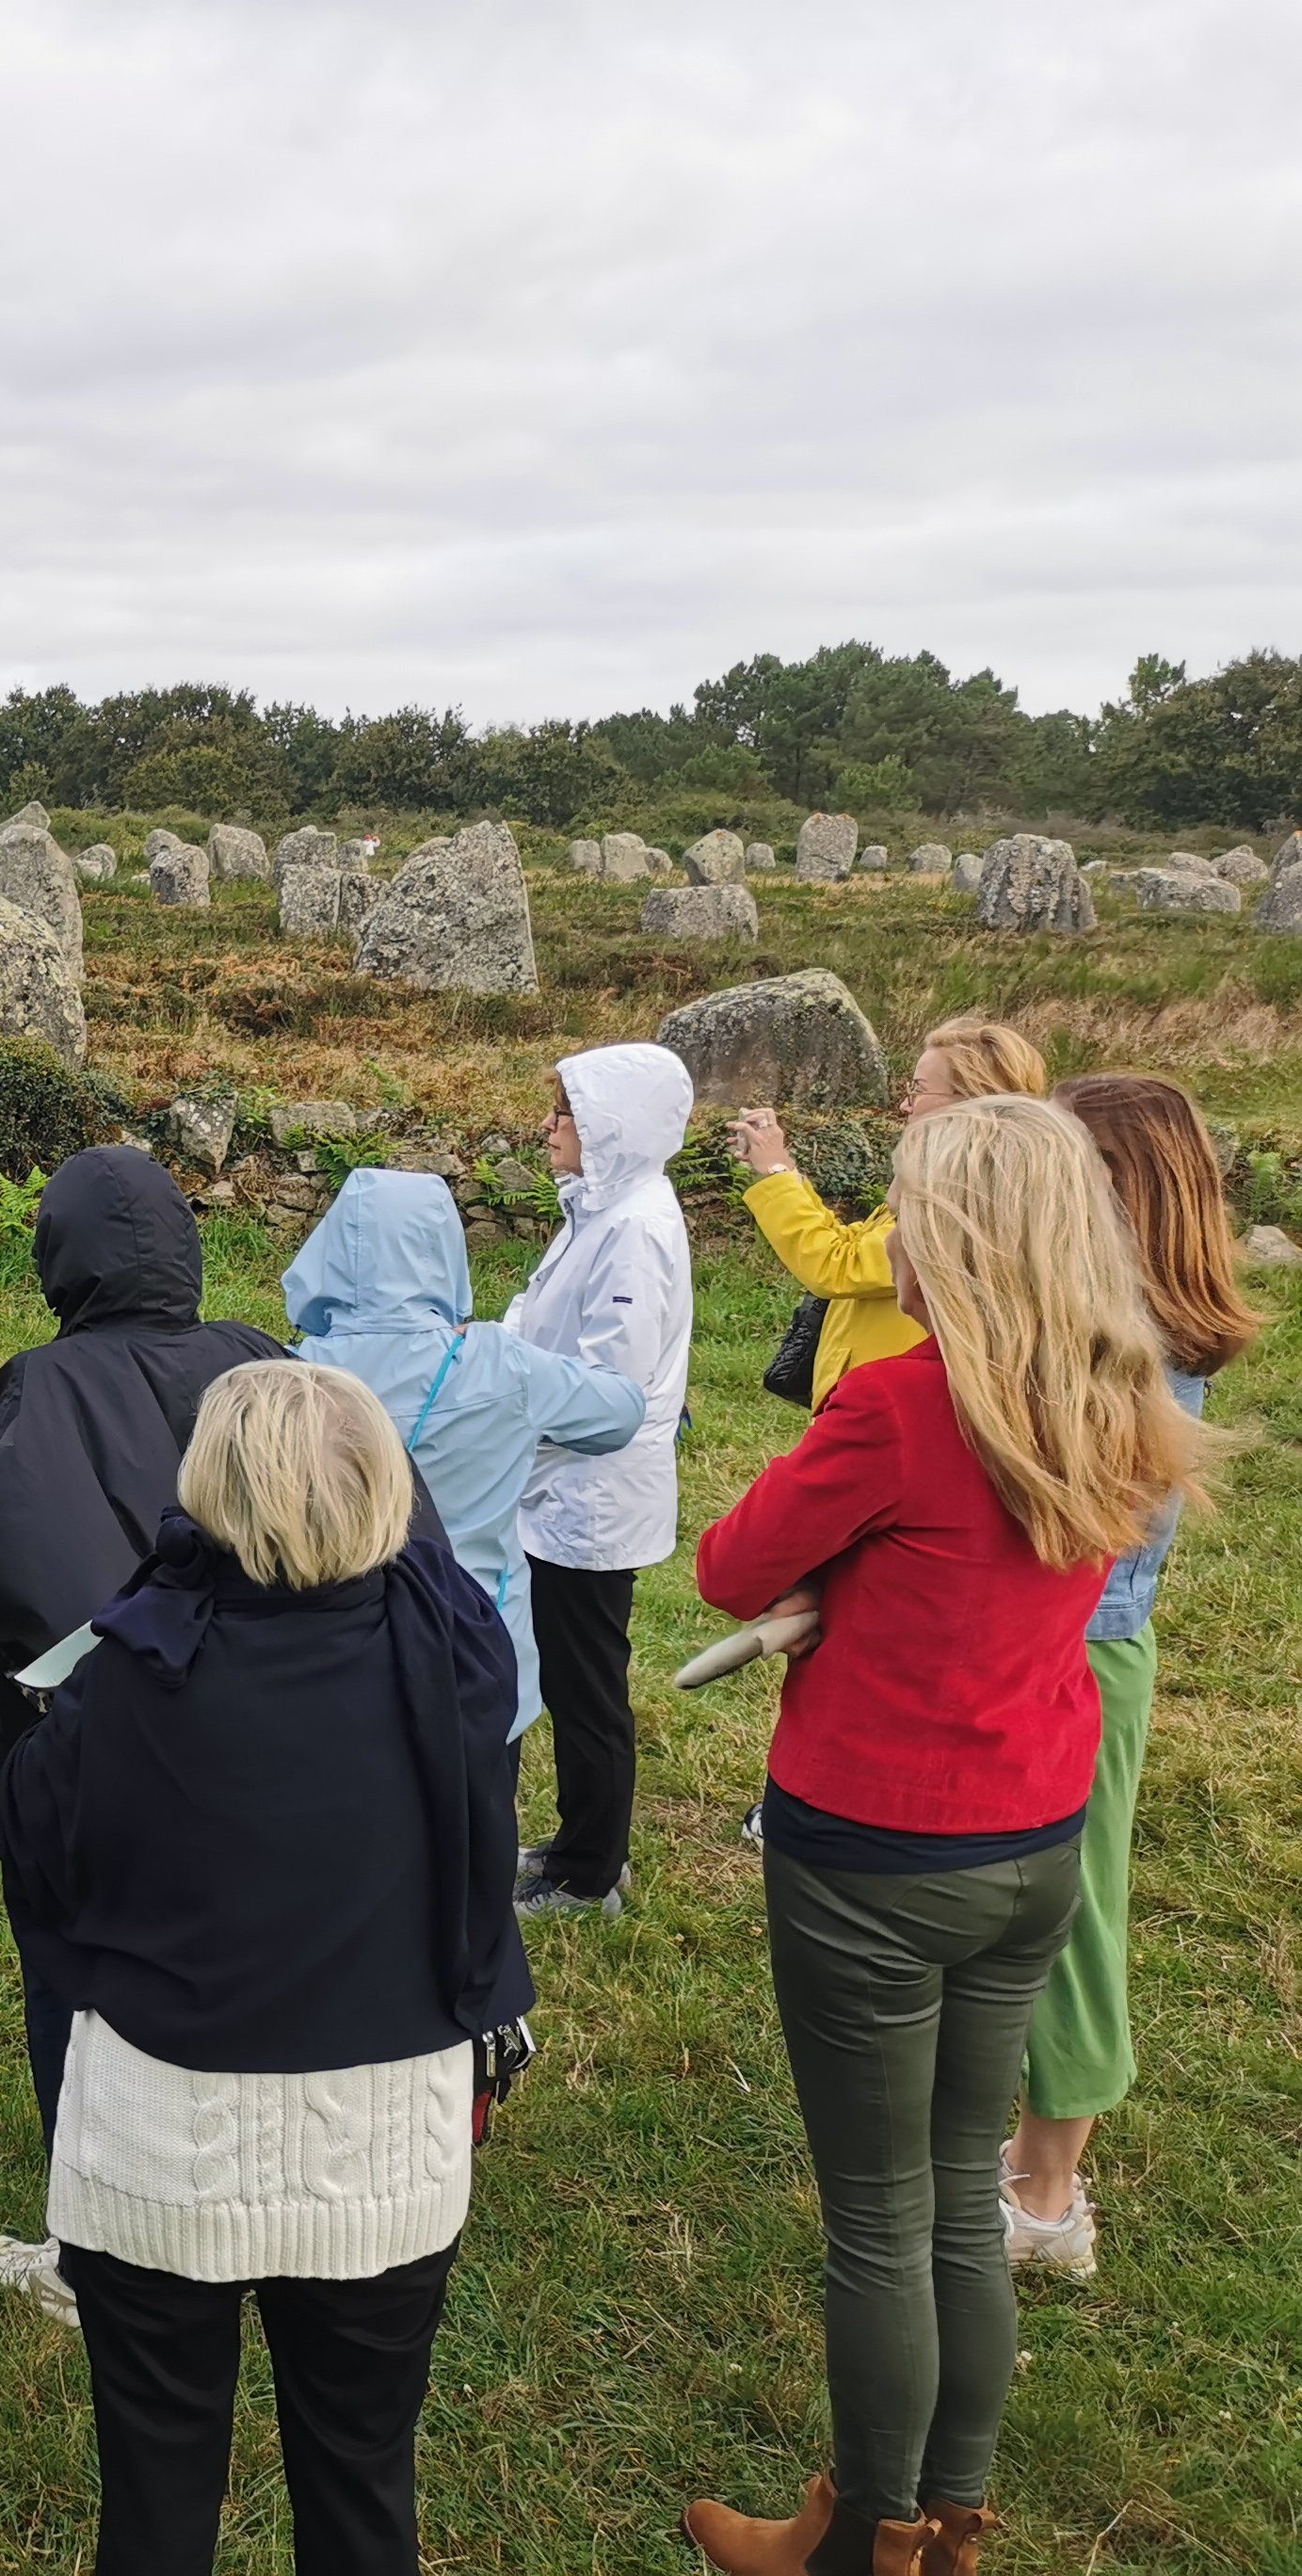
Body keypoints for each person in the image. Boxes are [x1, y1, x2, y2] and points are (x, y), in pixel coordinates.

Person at [686, 1095, 1211, 2576]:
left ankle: (862, 2535)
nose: (892, 1237)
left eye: (913, 1207)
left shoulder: (904, 1408)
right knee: (960, 2206)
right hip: (1036, 1832)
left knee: (877, 2218)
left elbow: (731, 1567)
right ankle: (954, 2520)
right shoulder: (1122, 1395)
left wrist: (835, 1589)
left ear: (963, 1241)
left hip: (876, 1850)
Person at [0, 1361, 532, 2576]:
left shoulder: (137, 1672)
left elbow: (39, 1845)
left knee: (156, 2500)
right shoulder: (453, 1645)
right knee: (360, 2492)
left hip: (161, 2149)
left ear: (204, 1499)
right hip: (382, 2158)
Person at [0, 1144, 282, 2320]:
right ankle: (247, 2198)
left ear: (57, 1253)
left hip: (95, 1756)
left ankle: (98, 2255)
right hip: (271, 1746)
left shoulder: (44, 1385)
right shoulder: (262, 1358)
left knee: (78, 1976)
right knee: (241, 1961)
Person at [1001, 1077, 1262, 2276]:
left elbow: (1082, 1520)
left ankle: (1050, 2196)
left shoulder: (1137, 1334)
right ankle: (1023, 2156)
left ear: (1125, 1183)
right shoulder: (1117, 1311)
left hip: (1084, 1646)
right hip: (1069, 1635)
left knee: (1075, 1909)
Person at [288, 1165, 645, 1747]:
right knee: (482, 1829)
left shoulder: (288, 1374)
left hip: (329, 1658)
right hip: (476, 1651)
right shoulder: (500, 1364)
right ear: (444, 1251)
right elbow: (622, 1411)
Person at [506, 1041, 696, 1922]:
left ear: (611, 1127)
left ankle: (590, 1876)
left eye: (566, 1115)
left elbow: (601, 1387)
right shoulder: (598, 1210)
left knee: (586, 1688)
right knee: (572, 1677)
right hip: (563, 1484)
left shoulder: (633, 1230)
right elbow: (538, 1323)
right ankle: (581, 1842)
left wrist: (504, 1422)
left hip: (590, 1492)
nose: (549, 1128)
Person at [733, 1017, 1048, 1407]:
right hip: (886, 1396)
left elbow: (836, 1265)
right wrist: (787, 1170)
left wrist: (776, 1174)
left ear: (971, 1099)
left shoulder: (964, 1201)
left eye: (917, 1090)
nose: (904, 1105)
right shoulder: (948, 1181)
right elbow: (856, 1243)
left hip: (896, 1405)